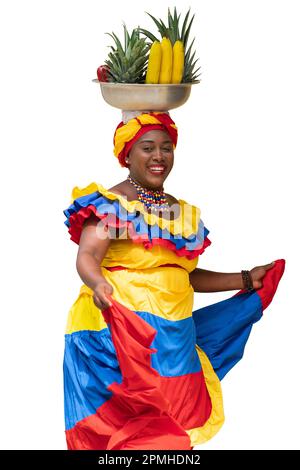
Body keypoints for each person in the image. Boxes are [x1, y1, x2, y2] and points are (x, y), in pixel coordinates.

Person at [63, 111, 285, 450]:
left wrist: (244, 279)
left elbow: (186, 276)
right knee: (123, 432)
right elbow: (88, 255)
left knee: (170, 431)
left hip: (173, 339)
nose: (158, 157)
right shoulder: (112, 205)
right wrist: (98, 284)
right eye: (147, 148)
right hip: (120, 334)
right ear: (128, 155)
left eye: (166, 148)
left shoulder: (180, 213)